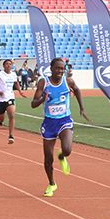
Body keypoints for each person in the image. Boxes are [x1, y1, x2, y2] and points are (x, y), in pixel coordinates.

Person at [31, 57, 89, 198]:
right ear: (51, 69)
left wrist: (82, 108)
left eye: (62, 68)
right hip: (49, 123)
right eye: (58, 68)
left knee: (67, 149)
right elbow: (33, 103)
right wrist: (42, 99)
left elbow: (77, 90)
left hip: (64, 120)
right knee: (48, 159)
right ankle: (52, 184)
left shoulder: (67, 81)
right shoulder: (43, 83)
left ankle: (62, 156)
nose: (60, 71)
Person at [0, 59, 27, 144]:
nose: (9, 65)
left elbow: (16, 83)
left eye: (10, 64)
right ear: (4, 66)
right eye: (7, 64)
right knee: (1, 118)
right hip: (0, 99)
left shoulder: (13, 74)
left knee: (11, 115)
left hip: (10, 97)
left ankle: (11, 135)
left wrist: (20, 91)